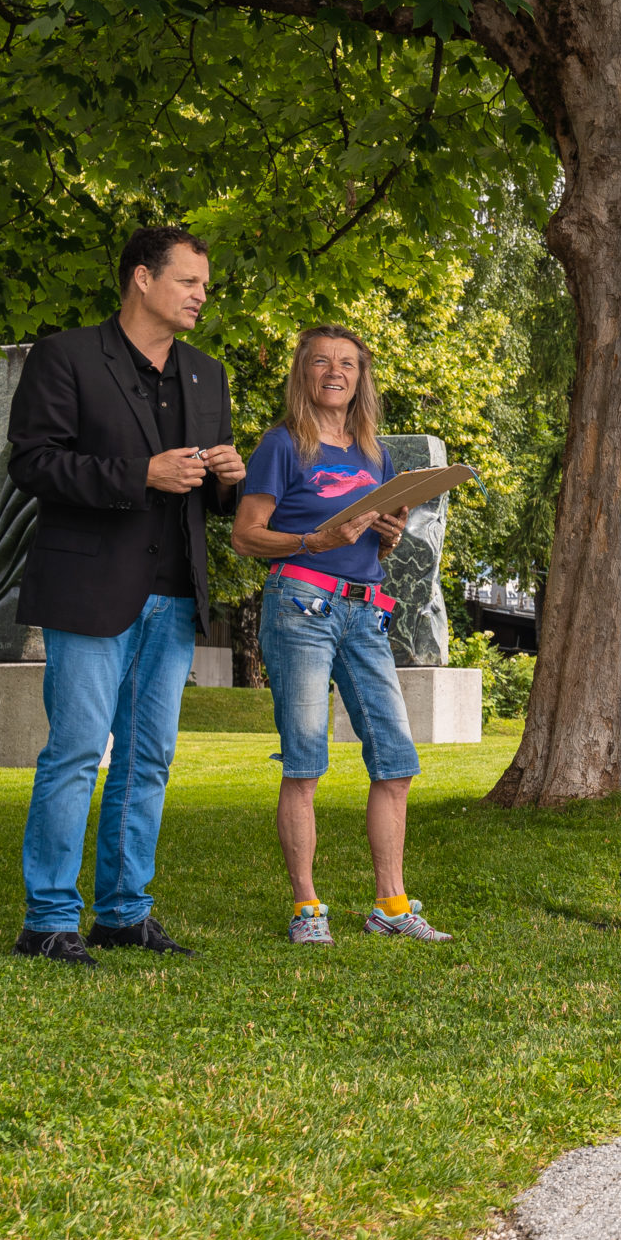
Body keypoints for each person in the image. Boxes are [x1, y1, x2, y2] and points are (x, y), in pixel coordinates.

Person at [6, 226, 246, 964]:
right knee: (76, 752)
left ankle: (123, 911)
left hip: (175, 597)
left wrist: (231, 480)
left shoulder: (208, 375)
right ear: (141, 278)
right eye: (189, 281)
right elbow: (34, 465)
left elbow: (209, 500)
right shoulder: (66, 356)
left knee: (148, 760)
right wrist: (139, 472)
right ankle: (47, 919)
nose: (202, 295)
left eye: (206, 284)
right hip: (89, 590)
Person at [233, 327, 450, 946]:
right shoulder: (281, 445)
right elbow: (245, 535)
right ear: (303, 373)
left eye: (348, 363)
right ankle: (307, 908)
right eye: (322, 361)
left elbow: (371, 542)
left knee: (396, 760)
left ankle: (391, 904)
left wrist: (387, 531)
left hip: (365, 614)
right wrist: (314, 540)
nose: (336, 371)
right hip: (300, 604)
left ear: (361, 378)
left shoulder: (374, 455)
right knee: (305, 761)